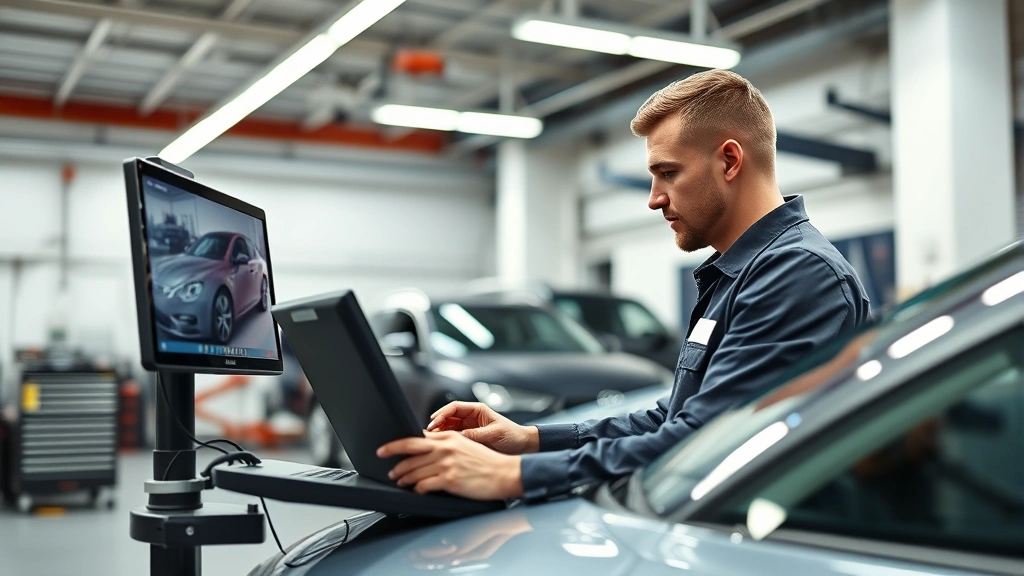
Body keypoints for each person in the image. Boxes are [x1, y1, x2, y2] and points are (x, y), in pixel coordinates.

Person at [377, 69, 871, 501]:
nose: (654, 199)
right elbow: (672, 418)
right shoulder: (738, 272)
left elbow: (703, 442)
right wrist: (529, 440)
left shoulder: (796, 274)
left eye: (667, 173)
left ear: (729, 160)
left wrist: (513, 476)